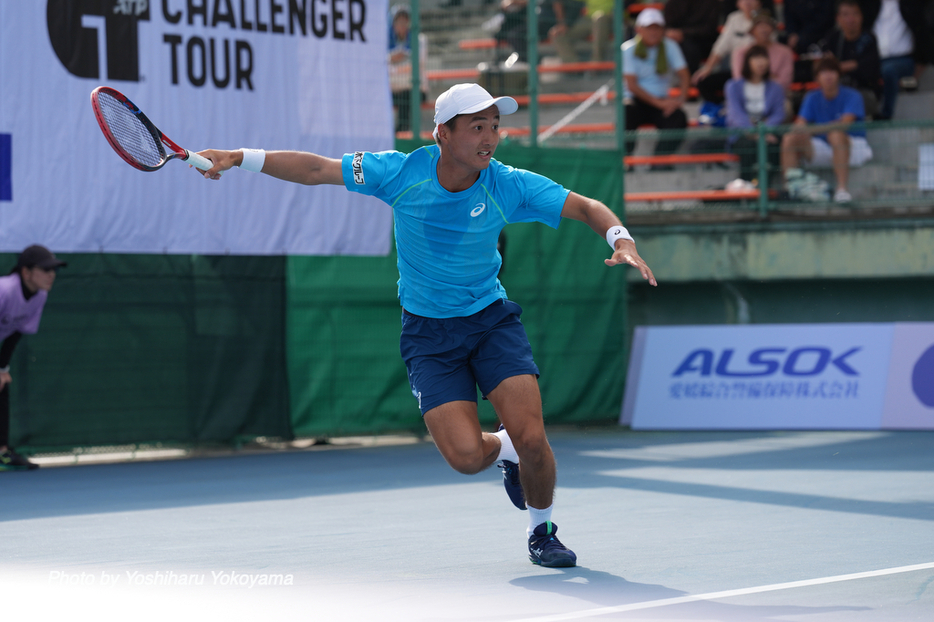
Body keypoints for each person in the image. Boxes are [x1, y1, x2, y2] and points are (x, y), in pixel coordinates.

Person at [195, 83, 657, 567]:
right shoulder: (399, 173)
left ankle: (541, 532)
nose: (490, 137)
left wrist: (621, 239)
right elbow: (316, 169)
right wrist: (238, 156)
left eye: (495, 126)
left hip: (491, 322)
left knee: (535, 439)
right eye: (477, 126)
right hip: (429, 334)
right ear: (443, 133)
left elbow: (585, 206)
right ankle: (504, 449)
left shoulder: (508, 183)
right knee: (464, 457)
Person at [0, 245, 66, 472]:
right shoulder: (4, 290)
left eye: (53, 270)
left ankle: (2, 453)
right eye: (45, 269)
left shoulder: (39, 297)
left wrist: (2, 368)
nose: (51, 275)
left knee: (2, 384)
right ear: (26, 273)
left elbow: (15, 332)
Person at [781, 57, 873, 203]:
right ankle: (791, 189)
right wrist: (799, 131)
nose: (828, 76)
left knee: (835, 135)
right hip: (824, 146)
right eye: (823, 72)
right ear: (817, 77)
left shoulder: (853, 95)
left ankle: (842, 190)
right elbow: (799, 125)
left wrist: (812, 130)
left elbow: (844, 125)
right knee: (790, 138)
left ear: (839, 75)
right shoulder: (811, 97)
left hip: (854, 148)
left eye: (832, 71)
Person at [622, 8, 691, 159]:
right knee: (625, 112)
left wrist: (679, 101)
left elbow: (684, 75)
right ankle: (626, 161)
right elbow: (632, 85)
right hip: (636, 100)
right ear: (639, 29)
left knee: (678, 118)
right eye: (649, 28)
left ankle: (660, 161)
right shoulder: (627, 49)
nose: (653, 32)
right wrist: (659, 104)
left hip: (661, 100)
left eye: (657, 28)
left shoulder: (670, 46)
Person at [862, 0, 934, 120]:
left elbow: (923, 32)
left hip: (903, 59)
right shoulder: (871, 6)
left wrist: (920, 66)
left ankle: (886, 113)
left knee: (888, 70)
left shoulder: (911, 6)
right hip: (875, 58)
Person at [725, 45, 787, 183]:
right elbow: (735, 114)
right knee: (749, 146)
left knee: (774, 146)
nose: (761, 62)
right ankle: (746, 183)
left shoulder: (776, 88)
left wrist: (764, 131)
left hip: (768, 133)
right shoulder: (733, 86)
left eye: (764, 58)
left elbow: (778, 114)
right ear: (747, 62)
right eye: (756, 58)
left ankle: (766, 187)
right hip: (743, 134)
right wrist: (754, 132)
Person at [818, 0, 882, 118]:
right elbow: (825, 66)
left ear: (861, 16)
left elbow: (870, 70)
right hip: (836, 90)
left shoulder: (869, 38)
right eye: (846, 14)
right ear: (838, 18)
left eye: (855, 14)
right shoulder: (832, 38)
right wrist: (852, 65)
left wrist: (839, 66)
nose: (851, 19)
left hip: (864, 92)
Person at [692, 0, 761, 104]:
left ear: (759, 3)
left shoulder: (764, 19)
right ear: (738, 4)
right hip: (735, 70)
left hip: (759, 73)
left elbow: (769, 48)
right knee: (703, 81)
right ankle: (721, 108)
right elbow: (721, 46)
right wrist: (708, 68)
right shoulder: (734, 18)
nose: (747, 2)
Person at [731, 11, 795, 94]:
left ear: (772, 29)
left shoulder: (785, 51)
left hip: (777, 95)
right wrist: (770, 77)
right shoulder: (740, 52)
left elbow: (785, 81)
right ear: (752, 30)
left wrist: (756, 78)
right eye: (759, 26)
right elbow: (739, 80)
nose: (763, 29)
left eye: (767, 25)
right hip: (746, 96)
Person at [388, 6, 428, 134]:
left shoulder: (419, 40)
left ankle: (401, 133)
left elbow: (417, 64)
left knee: (406, 95)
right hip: (394, 90)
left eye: (405, 21)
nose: (402, 25)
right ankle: (397, 133)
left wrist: (393, 62)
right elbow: (380, 64)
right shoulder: (387, 41)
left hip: (415, 90)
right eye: (398, 21)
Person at [662, 0, 721, 74]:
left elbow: (709, 29)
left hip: (702, 41)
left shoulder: (711, 3)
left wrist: (683, 33)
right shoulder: (673, 3)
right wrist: (669, 33)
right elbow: (666, 25)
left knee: (691, 49)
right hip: (675, 40)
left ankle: (690, 82)